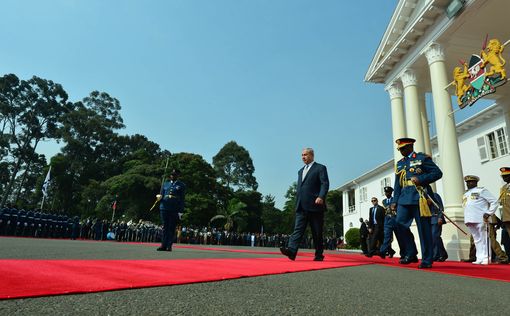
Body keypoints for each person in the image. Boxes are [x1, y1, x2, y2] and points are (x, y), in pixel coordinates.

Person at [391, 138, 442, 269]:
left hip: (420, 197)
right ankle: (411, 252)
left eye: (403, 148)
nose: (401, 151)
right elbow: (397, 184)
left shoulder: (422, 158)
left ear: (410, 147)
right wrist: (394, 201)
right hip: (404, 197)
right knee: (399, 224)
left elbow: (437, 173)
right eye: (400, 149)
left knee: (423, 229)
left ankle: (427, 259)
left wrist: (420, 179)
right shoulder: (400, 163)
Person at [280, 148, 329, 261]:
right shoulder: (300, 171)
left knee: (317, 232)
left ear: (312, 155)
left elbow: (324, 183)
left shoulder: (320, 168)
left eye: (305, 155)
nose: (303, 157)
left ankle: (319, 254)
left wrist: (321, 196)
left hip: (315, 205)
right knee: (297, 230)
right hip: (301, 206)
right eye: (302, 155)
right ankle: (291, 251)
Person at [462, 175, 498, 265]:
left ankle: (486, 258)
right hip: (470, 219)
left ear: (475, 182)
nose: (469, 184)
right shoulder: (465, 194)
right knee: (476, 239)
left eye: (471, 182)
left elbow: (494, 201)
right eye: (467, 182)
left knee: (484, 238)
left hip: (481, 218)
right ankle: (479, 257)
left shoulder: (481, 190)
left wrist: (489, 213)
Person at [156, 169, 186, 251]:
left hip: (174, 208)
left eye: (174, 174)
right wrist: (159, 197)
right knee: (165, 227)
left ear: (178, 176)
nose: (172, 176)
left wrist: (181, 211)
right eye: (172, 174)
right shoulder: (165, 184)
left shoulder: (181, 185)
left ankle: (169, 245)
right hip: (164, 207)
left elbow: (182, 199)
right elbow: (161, 195)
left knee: (171, 227)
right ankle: (163, 245)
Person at [378, 186, 400, 259]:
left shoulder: (394, 199)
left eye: (388, 192)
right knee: (387, 237)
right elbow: (386, 208)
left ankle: (403, 253)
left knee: (399, 238)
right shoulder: (384, 201)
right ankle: (382, 251)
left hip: (395, 219)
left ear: (391, 192)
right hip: (387, 220)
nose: (387, 193)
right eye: (386, 192)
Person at [430, 193, 448, 262]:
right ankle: (436, 255)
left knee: (435, 236)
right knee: (431, 238)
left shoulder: (434, 195)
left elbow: (440, 207)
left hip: (436, 218)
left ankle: (442, 254)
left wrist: (440, 217)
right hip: (428, 220)